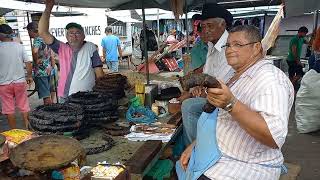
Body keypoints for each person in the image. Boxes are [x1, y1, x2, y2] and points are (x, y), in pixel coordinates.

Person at [179, 25, 294, 179]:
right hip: (220, 156)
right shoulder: (236, 75)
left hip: (241, 168)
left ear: (256, 48)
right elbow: (220, 122)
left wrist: (231, 104)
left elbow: (273, 137)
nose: (229, 49)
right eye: (227, 45)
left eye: (238, 45)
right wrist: (196, 146)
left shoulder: (270, 80)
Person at [181, 3, 235, 147]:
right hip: (213, 96)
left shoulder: (229, 46)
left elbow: (220, 84)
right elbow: (207, 74)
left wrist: (201, 91)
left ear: (222, 24)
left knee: (188, 107)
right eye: (203, 27)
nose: (205, 30)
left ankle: (197, 151)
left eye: (210, 26)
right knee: (188, 102)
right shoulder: (212, 45)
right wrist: (199, 86)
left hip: (229, 101)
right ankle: (195, 149)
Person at [38, 0, 104, 102]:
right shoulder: (61, 47)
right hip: (66, 96)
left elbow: (99, 73)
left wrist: (102, 92)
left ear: (83, 36)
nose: (74, 36)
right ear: (66, 36)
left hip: (88, 96)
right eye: (70, 33)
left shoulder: (90, 47)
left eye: (77, 33)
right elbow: (43, 32)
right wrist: (48, 8)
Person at [0, 24, 33, 129]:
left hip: (4, 83)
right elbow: (28, 62)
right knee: (24, 107)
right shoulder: (19, 46)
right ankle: (28, 130)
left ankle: (14, 134)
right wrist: (29, 76)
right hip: (19, 82)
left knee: (8, 109)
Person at [26, 22, 56, 105]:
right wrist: (52, 66)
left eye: (28, 31)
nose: (28, 33)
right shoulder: (46, 38)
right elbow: (52, 54)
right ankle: (50, 109)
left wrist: (36, 61)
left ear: (32, 30)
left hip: (41, 71)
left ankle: (49, 112)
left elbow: (35, 51)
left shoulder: (37, 39)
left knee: (45, 95)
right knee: (49, 92)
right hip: (49, 70)